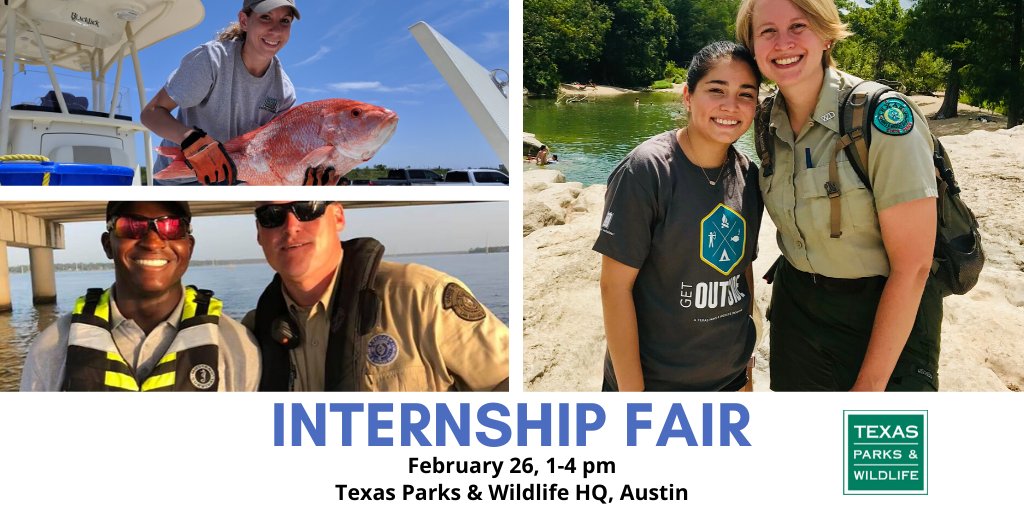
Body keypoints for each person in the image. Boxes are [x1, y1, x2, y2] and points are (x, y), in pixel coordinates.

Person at [736, 0, 941, 391]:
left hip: (882, 313)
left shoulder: (880, 116)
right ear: (754, 47)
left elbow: (914, 267)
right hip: (797, 313)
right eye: (767, 31)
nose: (783, 42)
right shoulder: (764, 120)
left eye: (798, 26)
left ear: (827, 35)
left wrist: (868, 389)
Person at [593, 41, 763, 391]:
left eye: (745, 94)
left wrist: (744, 370)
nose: (731, 106)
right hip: (658, 385)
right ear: (688, 96)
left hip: (729, 381)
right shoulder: (647, 170)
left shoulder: (749, 176)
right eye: (716, 90)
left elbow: (742, 270)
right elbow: (615, 288)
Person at [242, 201, 509, 391]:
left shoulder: (421, 298)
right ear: (258, 233)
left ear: (338, 216)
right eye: (271, 216)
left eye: (308, 208)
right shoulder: (252, 334)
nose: (291, 226)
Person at [20, 202, 260, 391]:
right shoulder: (51, 349)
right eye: (132, 226)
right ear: (108, 245)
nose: (153, 242)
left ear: (189, 246)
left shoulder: (237, 346)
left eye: (172, 227)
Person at [141, 0, 300, 185]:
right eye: (265, 17)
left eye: (285, 21)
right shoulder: (210, 60)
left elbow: (274, 153)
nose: (276, 30)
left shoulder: (284, 92)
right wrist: (189, 139)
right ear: (244, 21)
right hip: (180, 182)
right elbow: (151, 113)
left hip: (235, 181)